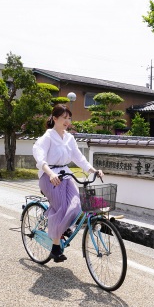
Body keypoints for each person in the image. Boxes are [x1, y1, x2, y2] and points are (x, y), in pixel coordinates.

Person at [32, 104, 103, 262]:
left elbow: (79, 158)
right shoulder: (47, 137)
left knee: (77, 204)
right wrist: (50, 173)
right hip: (49, 176)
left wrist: (93, 170)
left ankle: (64, 228)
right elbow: (40, 157)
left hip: (65, 174)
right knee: (62, 207)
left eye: (69, 118)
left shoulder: (69, 138)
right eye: (64, 118)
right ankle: (55, 247)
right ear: (55, 118)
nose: (67, 121)